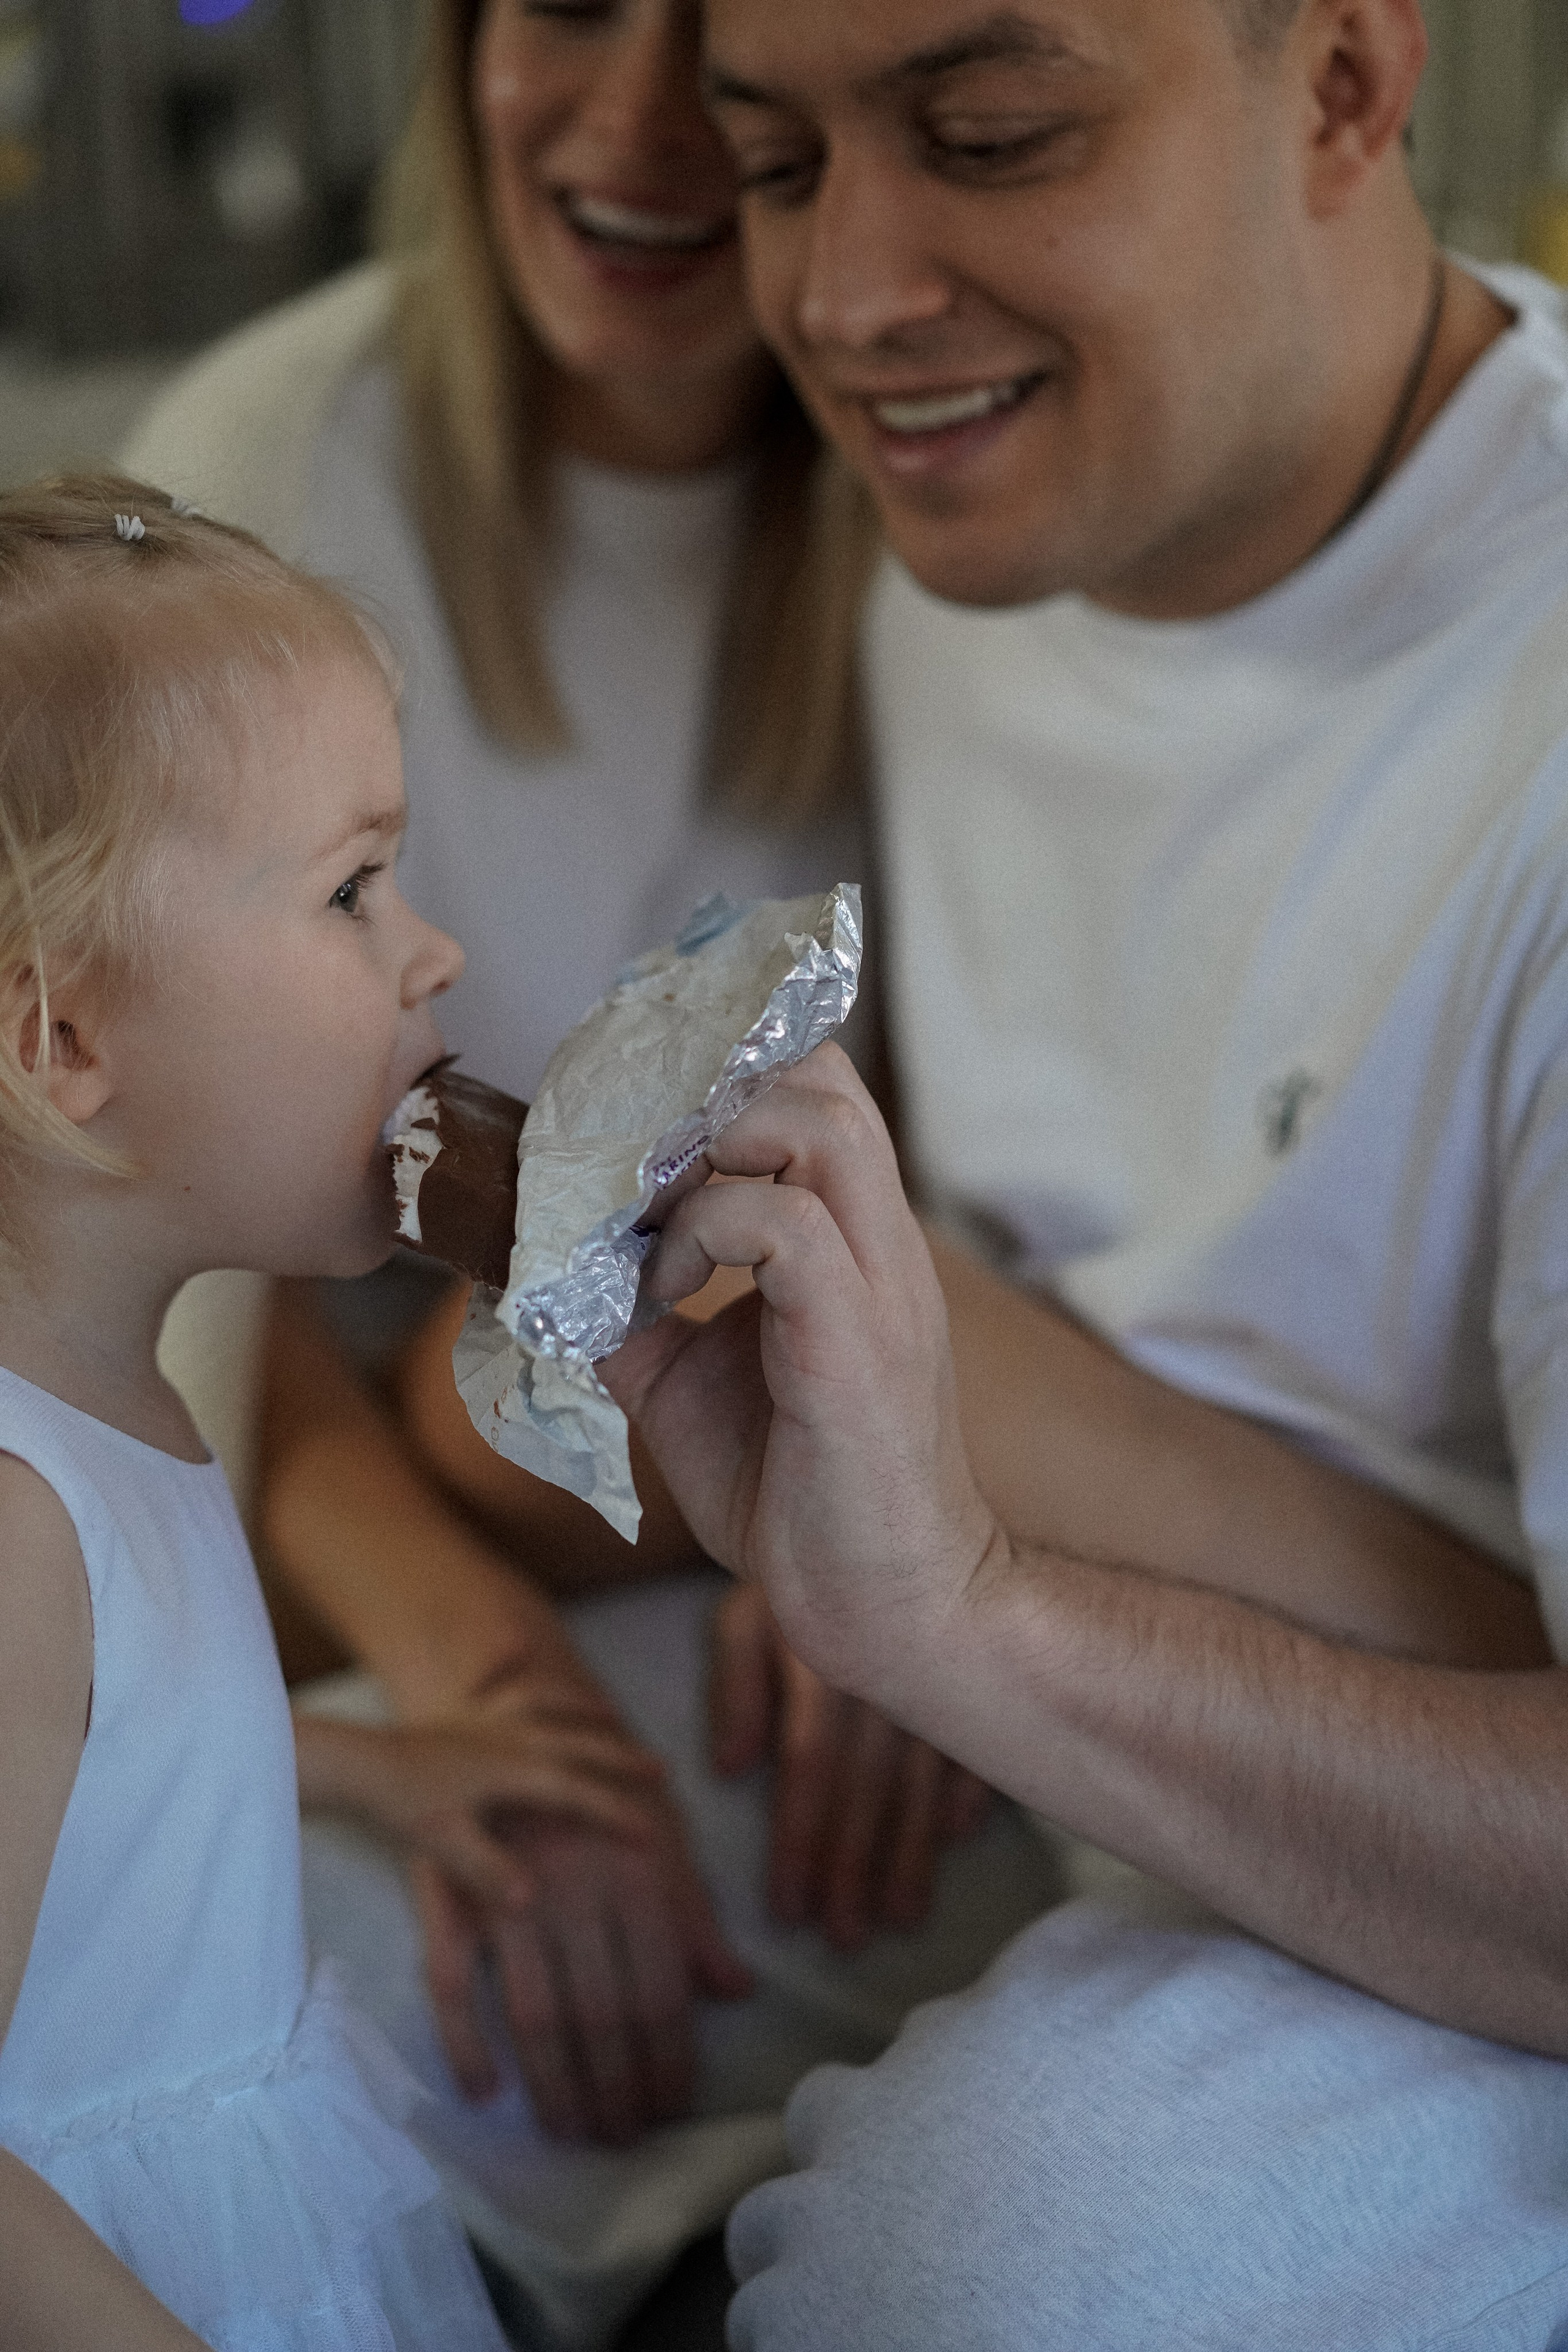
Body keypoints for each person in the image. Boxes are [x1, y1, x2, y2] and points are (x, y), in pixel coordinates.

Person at [598, 0, 1568, 2340]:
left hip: (1461, 1900)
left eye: (995, 137)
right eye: (779, 163)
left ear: (1343, 82)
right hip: (1030, 1738)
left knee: (979, 2267)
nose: (839, 299)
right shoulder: (977, 532)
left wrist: (973, 1610)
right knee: (182, 1928)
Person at [121, 2, 1061, 2339]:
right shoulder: (272, 467)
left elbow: (1018, 1193)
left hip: (811, 1527)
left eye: (714, 43)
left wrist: (870, 1536)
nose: (640, 127)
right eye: (561, 10)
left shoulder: (951, 499)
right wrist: (481, 1684)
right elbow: (171, 1269)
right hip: (375, 1530)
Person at [0, 475, 685, 2348]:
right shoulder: (13, 1513)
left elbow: (78, 1782)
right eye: (350, 887)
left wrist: (354, 1769)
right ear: (61, 1040)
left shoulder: (111, 1393)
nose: (431, 951)